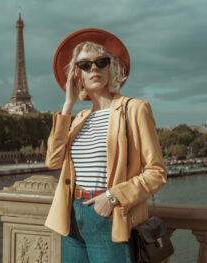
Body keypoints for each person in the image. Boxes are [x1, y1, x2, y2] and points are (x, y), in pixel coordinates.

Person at [44, 28, 167, 262]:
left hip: (108, 216)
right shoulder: (79, 119)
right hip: (70, 218)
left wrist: (112, 198)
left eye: (101, 62)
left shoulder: (134, 109)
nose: (94, 69)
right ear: (76, 75)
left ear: (112, 68)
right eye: (85, 65)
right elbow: (53, 160)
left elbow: (157, 172)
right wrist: (68, 105)